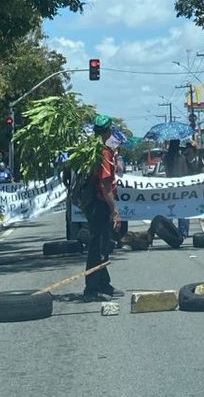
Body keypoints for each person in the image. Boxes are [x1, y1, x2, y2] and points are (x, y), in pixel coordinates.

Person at [83, 114, 122, 302]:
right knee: (97, 248)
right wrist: (114, 209)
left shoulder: (94, 150)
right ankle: (92, 288)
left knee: (103, 245)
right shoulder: (104, 153)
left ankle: (104, 283)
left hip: (93, 203)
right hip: (100, 204)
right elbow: (106, 185)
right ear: (108, 131)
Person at [182, 141, 204, 233]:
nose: (188, 151)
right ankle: (184, 230)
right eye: (187, 148)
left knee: (202, 208)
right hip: (188, 189)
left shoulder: (200, 160)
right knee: (186, 209)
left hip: (199, 189)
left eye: (190, 148)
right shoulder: (184, 160)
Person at [164, 139, 190, 236]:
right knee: (182, 208)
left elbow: (166, 171)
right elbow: (185, 172)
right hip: (181, 186)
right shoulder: (182, 158)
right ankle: (183, 231)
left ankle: (169, 230)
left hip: (170, 186)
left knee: (170, 209)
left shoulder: (166, 157)